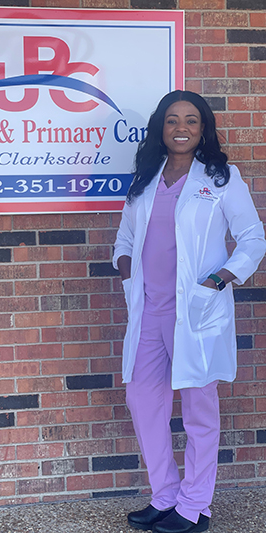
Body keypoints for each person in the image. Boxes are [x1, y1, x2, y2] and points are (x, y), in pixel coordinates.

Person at [113, 90, 266, 533]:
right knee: (143, 401)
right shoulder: (145, 177)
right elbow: (125, 238)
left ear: (203, 129)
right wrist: (127, 272)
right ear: (161, 127)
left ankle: (195, 505)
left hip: (196, 313)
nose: (182, 128)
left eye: (192, 120)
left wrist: (219, 280)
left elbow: (253, 239)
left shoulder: (221, 178)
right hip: (149, 312)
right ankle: (165, 495)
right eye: (173, 120)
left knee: (199, 409)